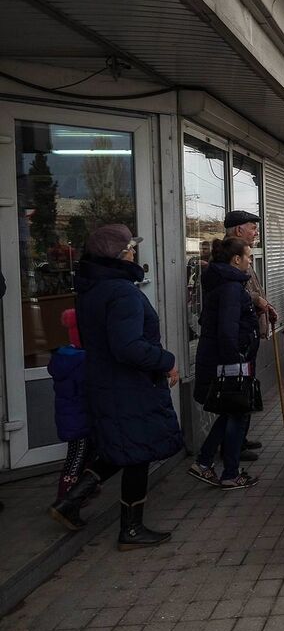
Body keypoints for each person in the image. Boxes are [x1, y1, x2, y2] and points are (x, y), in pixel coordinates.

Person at [49, 224, 181, 550]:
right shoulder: (122, 291)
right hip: (129, 386)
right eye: (130, 248)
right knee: (138, 454)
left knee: (119, 448)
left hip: (107, 382)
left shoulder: (92, 288)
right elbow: (128, 347)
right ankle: (131, 530)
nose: (134, 253)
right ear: (119, 255)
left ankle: (70, 502)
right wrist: (165, 360)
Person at [189, 237, 260, 489]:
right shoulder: (230, 288)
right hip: (229, 364)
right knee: (237, 414)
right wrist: (237, 363)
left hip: (223, 361)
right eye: (248, 256)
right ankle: (230, 473)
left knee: (231, 412)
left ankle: (204, 461)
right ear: (236, 259)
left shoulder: (225, 285)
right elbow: (228, 331)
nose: (251, 261)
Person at [224, 210, 273, 459]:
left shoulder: (244, 255)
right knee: (238, 393)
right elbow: (236, 291)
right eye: (252, 228)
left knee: (247, 389)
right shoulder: (229, 256)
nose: (256, 233)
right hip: (239, 339)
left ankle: (240, 439)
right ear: (239, 230)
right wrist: (258, 300)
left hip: (249, 333)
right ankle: (232, 447)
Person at [49, 309, 93, 502]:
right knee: (77, 456)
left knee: (83, 454)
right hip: (78, 419)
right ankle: (66, 497)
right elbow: (88, 389)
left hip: (73, 417)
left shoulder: (66, 357)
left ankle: (82, 490)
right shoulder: (81, 361)